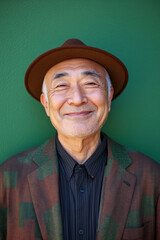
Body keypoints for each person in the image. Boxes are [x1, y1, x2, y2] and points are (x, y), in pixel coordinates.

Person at [0, 39, 160, 240]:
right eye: (61, 85)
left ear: (109, 98)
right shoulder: (8, 178)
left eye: (90, 83)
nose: (77, 98)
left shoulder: (151, 177)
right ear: (46, 104)